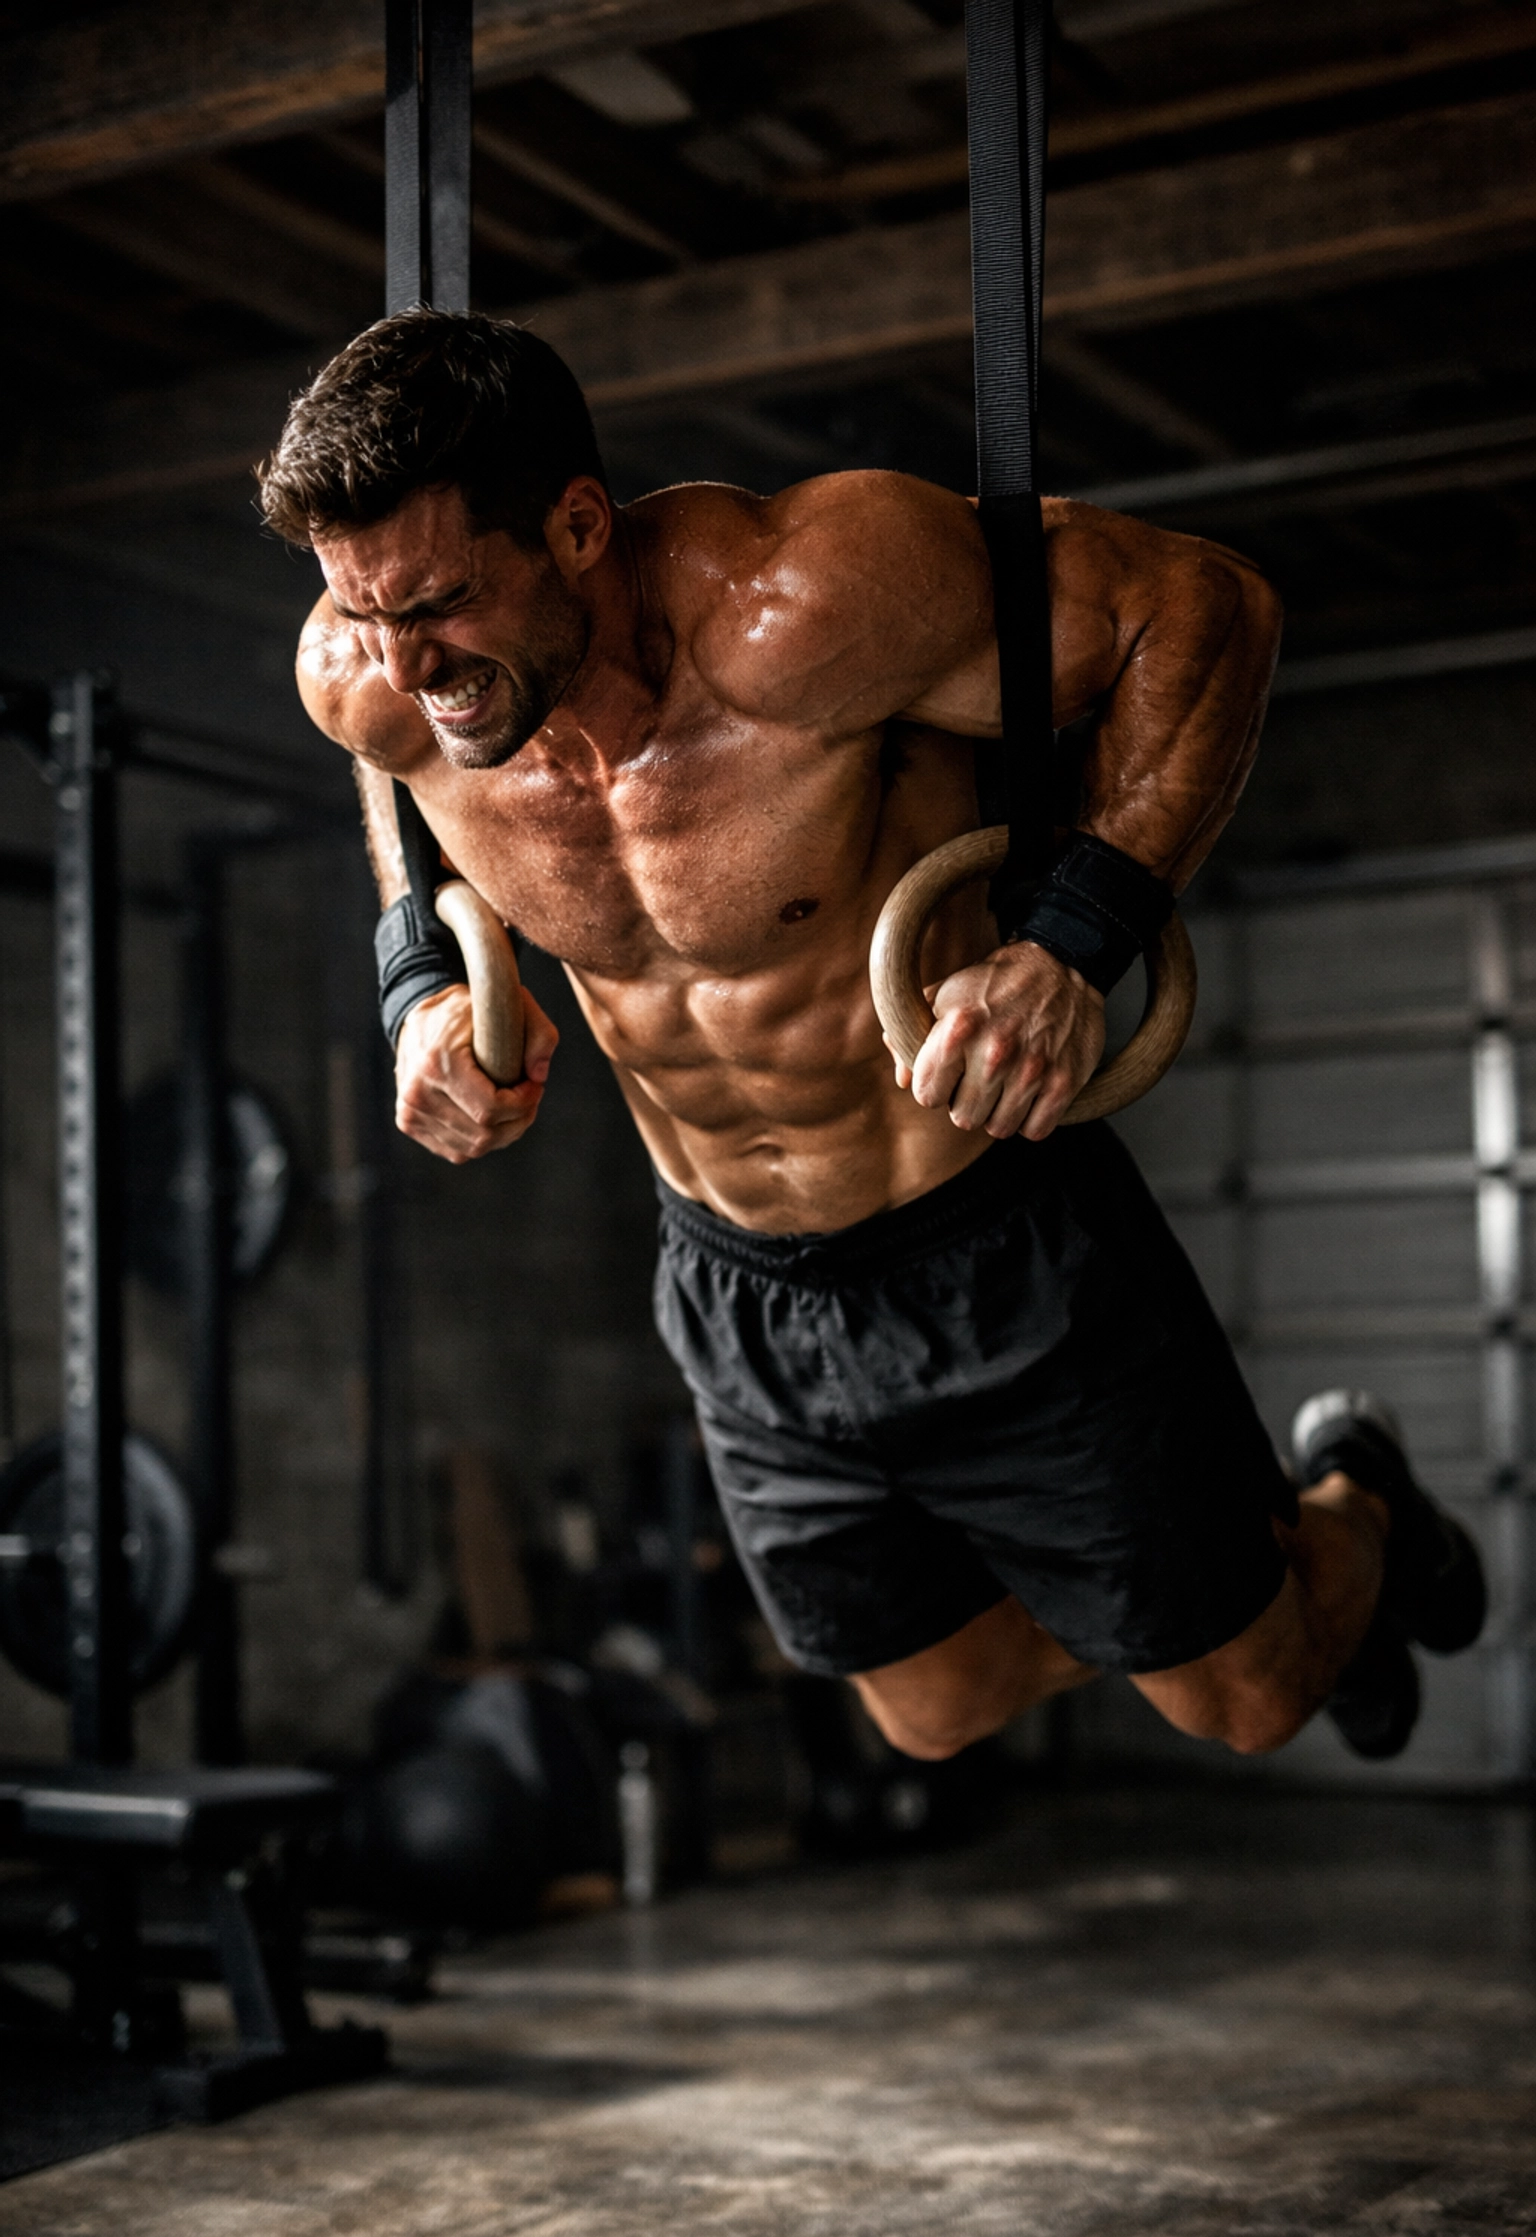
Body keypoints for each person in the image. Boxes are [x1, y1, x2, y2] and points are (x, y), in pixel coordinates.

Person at [263, 310, 1484, 1767]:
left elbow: (1207, 610)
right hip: (738, 1284)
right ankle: (1226, 1600)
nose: (399, 663)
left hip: (989, 1242)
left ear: (577, 525)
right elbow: (392, 790)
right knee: (933, 1710)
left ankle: (1351, 1507)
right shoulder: (365, 671)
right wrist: (422, 981)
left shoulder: (802, 610)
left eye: (441, 605)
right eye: (364, 611)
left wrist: (1076, 939)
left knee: (1248, 1701)